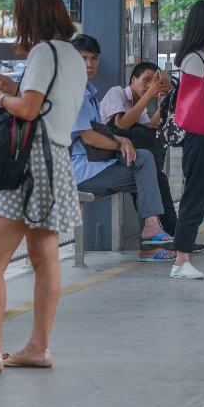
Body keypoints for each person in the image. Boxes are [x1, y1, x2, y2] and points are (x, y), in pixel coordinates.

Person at [0, 0, 86, 374]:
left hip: (29, 164)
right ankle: (38, 347)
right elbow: (48, 101)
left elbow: (28, 110)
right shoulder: (73, 55)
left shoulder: (43, 51)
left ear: (31, 15)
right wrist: (13, 86)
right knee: (46, 259)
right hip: (57, 160)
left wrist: (0, 97)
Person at [68, 35, 174, 262]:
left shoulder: (89, 94)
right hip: (80, 171)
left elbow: (112, 130)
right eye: (83, 58)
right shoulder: (73, 93)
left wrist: (124, 141)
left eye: (94, 58)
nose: (89, 64)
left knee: (145, 161)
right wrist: (121, 143)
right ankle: (151, 237)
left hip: (98, 164)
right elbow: (90, 137)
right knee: (148, 173)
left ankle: (152, 230)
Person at [167, 0, 204, 280]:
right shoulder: (194, 58)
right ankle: (180, 260)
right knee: (197, 194)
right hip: (199, 135)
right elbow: (193, 98)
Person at [99, 60, 177, 238]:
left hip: (126, 155)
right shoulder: (116, 93)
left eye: (154, 82)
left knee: (159, 178)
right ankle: (158, 232)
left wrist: (165, 101)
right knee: (153, 176)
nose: (149, 86)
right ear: (133, 79)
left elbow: (150, 127)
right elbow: (122, 123)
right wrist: (148, 96)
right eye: (146, 80)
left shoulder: (137, 104)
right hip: (107, 153)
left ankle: (171, 233)